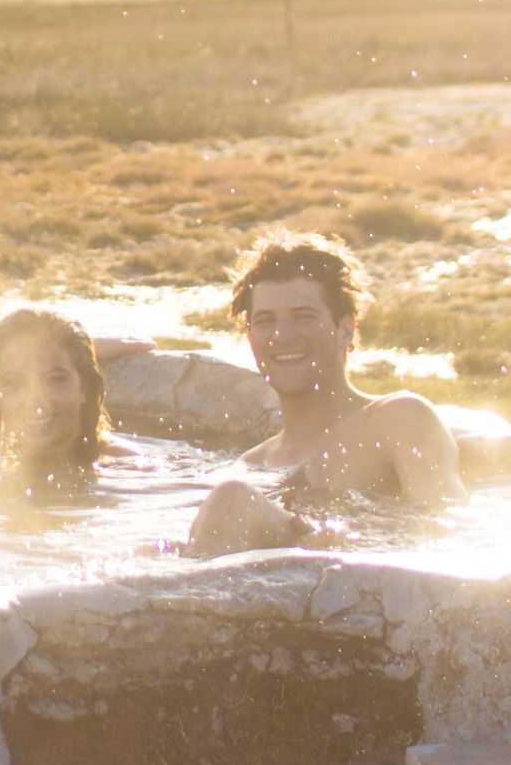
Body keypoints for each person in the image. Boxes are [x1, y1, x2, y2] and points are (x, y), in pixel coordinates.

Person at [187, 230, 463, 555]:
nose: (282, 335)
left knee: (232, 500)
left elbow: (446, 528)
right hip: (269, 581)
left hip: (360, 581)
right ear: (250, 338)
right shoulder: (253, 463)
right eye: (265, 321)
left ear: (346, 329)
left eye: (304, 317)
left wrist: (338, 541)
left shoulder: (396, 420)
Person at [0, 308, 135, 486]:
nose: (35, 401)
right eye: (14, 382)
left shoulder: (124, 467)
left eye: (55, 380)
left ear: (85, 388)